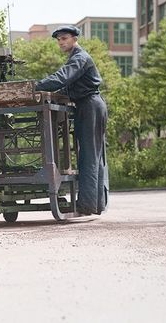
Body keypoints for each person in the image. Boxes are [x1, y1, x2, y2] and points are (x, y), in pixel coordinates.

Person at [35, 25, 108, 216]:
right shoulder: (75, 57)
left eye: (64, 38)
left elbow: (62, 78)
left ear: (75, 39)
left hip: (90, 105)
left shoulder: (80, 57)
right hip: (88, 106)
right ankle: (94, 204)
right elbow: (67, 87)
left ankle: (86, 205)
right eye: (58, 39)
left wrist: (35, 86)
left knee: (89, 156)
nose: (61, 42)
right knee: (92, 155)